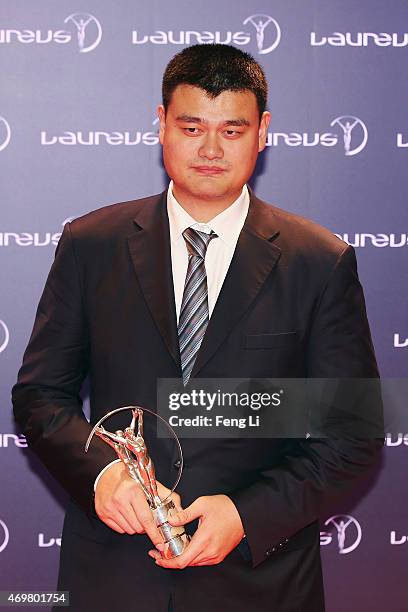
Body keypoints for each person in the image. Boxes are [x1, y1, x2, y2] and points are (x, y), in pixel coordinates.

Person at [12, 44, 382, 612]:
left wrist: (245, 514)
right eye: (191, 127)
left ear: (263, 133)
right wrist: (103, 476)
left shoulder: (319, 261)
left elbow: (351, 437)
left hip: (262, 580)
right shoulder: (91, 245)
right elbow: (41, 396)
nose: (210, 149)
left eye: (232, 131)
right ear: (161, 125)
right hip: (113, 574)